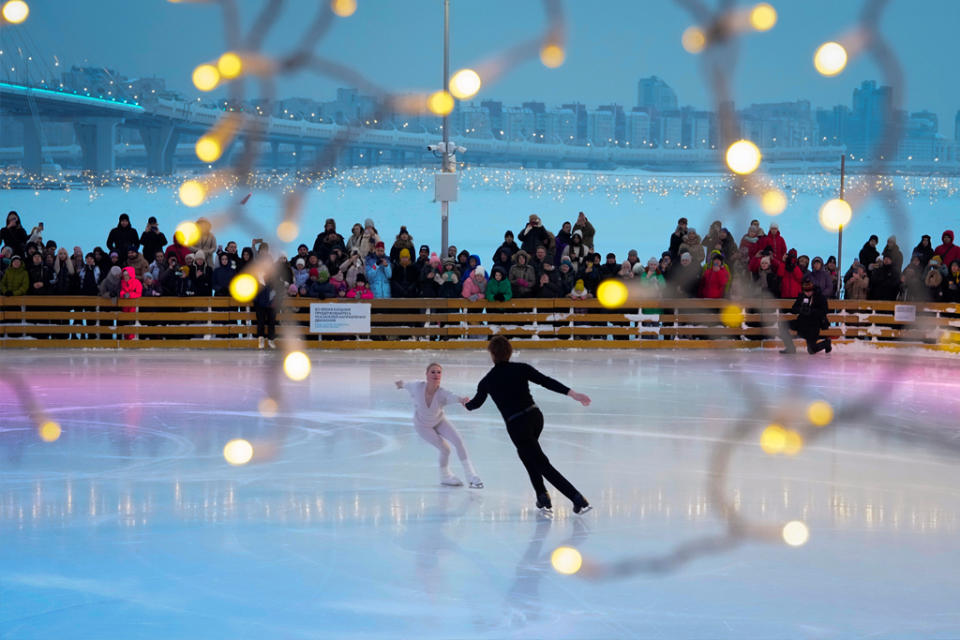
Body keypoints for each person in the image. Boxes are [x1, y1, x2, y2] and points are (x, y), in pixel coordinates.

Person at [465, 336, 592, 516]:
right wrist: (572, 393)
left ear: (492, 354)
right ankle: (542, 496)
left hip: (517, 425)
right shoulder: (521, 368)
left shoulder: (488, 380)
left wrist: (464, 403)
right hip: (535, 417)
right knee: (527, 455)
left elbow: (475, 404)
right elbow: (545, 381)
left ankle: (577, 498)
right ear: (509, 352)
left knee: (541, 463)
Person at [395, 363, 483, 488]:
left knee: (458, 441)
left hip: (439, 421)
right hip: (422, 425)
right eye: (433, 372)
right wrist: (400, 384)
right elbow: (405, 384)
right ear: (426, 374)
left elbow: (453, 397)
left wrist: (462, 400)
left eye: (439, 372)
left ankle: (471, 475)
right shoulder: (417, 386)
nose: (436, 374)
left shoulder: (442, 393)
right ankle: (445, 476)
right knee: (445, 450)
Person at [779, 276, 831, 355]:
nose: (808, 293)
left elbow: (824, 311)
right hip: (801, 322)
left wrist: (811, 311)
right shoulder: (802, 296)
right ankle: (790, 347)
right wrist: (801, 309)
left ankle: (826, 343)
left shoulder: (820, 297)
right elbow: (794, 308)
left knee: (811, 350)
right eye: (805, 291)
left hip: (813, 326)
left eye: (809, 290)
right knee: (782, 324)